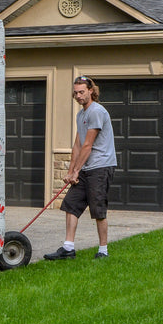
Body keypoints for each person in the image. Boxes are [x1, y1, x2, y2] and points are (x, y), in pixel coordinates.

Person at [44, 75, 116, 261]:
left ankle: (103, 250)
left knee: (98, 210)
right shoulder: (81, 114)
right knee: (71, 204)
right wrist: (70, 171)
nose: (78, 96)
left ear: (91, 91)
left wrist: (77, 170)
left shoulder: (96, 111)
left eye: (82, 92)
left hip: (100, 166)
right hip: (86, 167)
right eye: (75, 93)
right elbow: (77, 144)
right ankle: (68, 248)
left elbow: (88, 145)